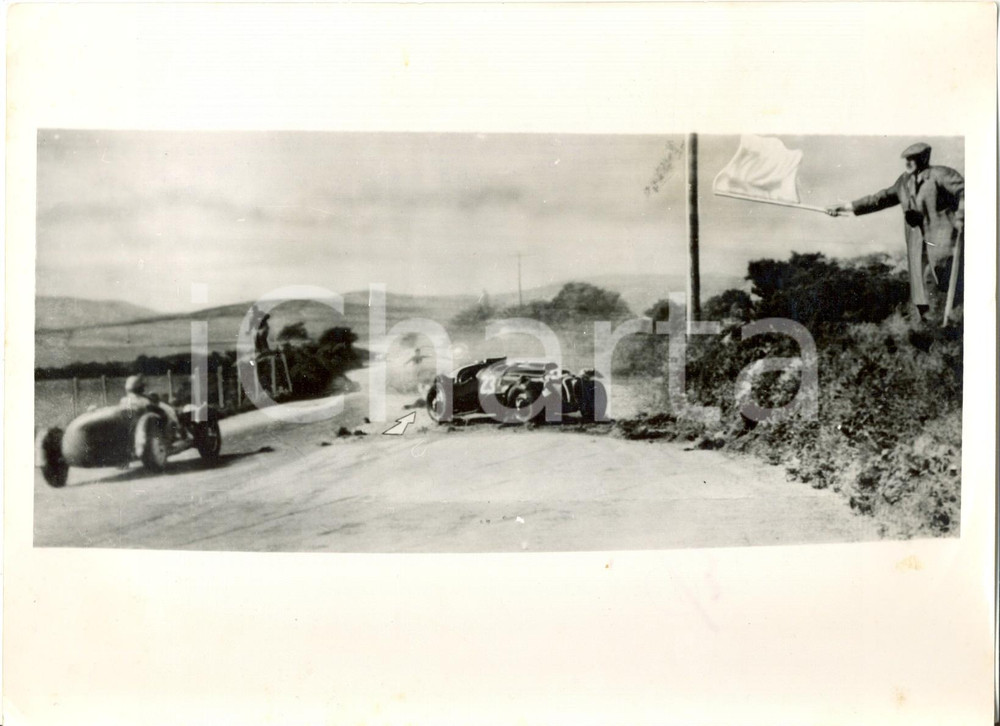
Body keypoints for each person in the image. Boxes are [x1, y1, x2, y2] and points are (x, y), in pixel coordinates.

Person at [826, 142, 964, 325]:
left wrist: (961, 217)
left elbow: (965, 192)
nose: (908, 162)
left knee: (948, 280)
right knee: (923, 288)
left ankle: (959, 322)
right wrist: (845, 207)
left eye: (913, 159)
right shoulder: (903, 182)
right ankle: (935, 328)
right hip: (917, 244)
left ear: (924, 158)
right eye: (907, 159)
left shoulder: (941, 174)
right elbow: (878, 199)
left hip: (945, 241)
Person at [120, 374, 185, 439]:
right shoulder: (146, 402)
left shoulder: (123, 401)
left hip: (129, 433)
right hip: (151, 434)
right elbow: (166, 417)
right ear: (141, 388)